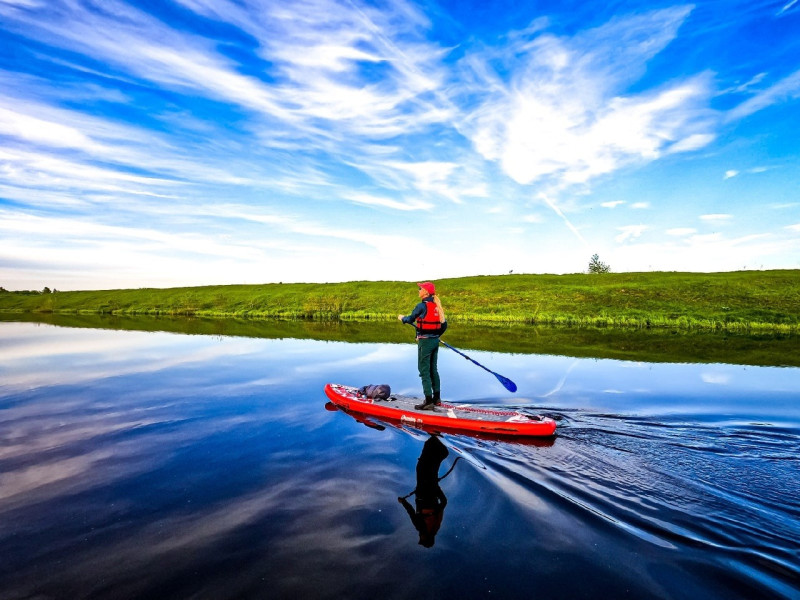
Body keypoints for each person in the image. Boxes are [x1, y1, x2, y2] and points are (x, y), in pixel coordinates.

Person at [397, 281, 447, 410]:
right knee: (433, 370)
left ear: (425, 292)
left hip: (425, 342)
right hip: (435, 342)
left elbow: (410, 319)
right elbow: (444, 325)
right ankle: (437, 399)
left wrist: (402, 318)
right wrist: (436, 335)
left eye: (420, 289)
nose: (418, 291)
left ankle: (428, 401)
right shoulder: (437, 306)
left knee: (424, 370)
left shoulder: (421, 306)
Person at [398, 435, 451, 547]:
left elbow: (444, 503)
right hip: (425, 491)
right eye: (421, 539)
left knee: (428, 468)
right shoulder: (423, 527)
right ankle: (434, 442)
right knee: (422, 467)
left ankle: (438, 448)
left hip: (428, 490)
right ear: (426, 538)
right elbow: (411, 512)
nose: (419, 537)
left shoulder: (434, 525)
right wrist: (403, 502)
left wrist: (436, 488)